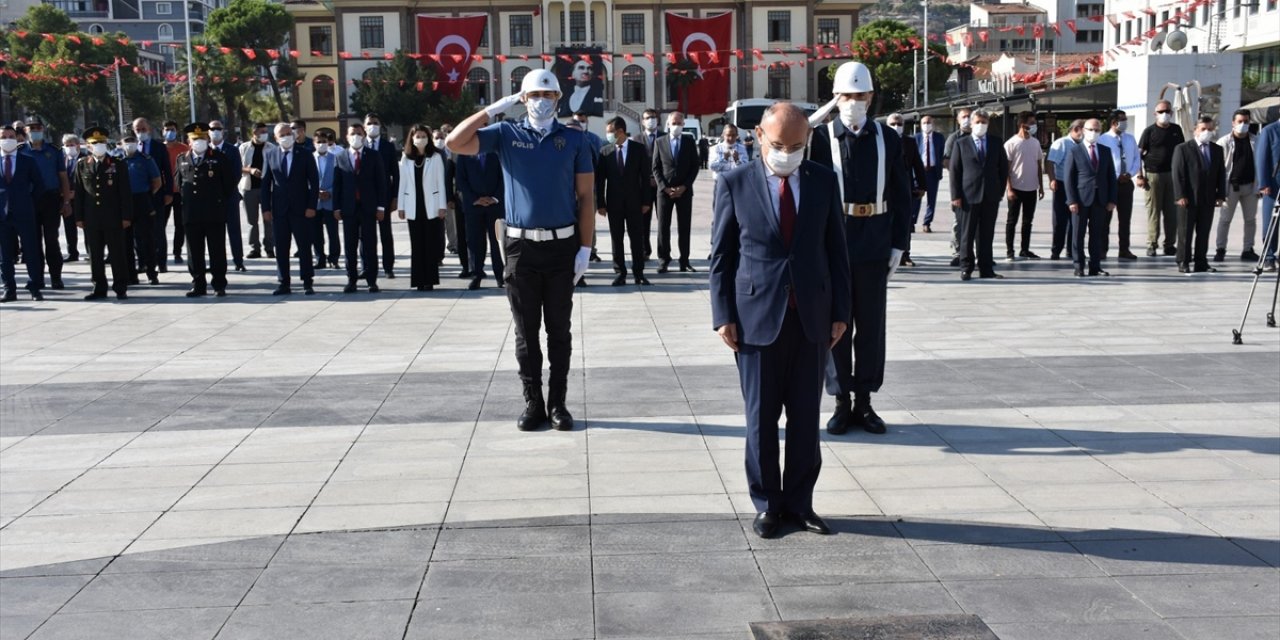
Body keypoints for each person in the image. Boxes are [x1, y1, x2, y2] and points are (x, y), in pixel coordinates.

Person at [709, 102, 850, 539]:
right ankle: (768, 504)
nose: (786, 153)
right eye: (778, 145)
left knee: (806, 419)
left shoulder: (823, 182)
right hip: (755, 320)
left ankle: (801, 503)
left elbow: (836, 251)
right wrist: (722, 315)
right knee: (761, 418)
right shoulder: (735, 183)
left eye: (796, 146)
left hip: (811, 319)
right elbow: (721, 257)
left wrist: (842, 314)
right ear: (758, 138)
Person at [446, 67, 595, 432]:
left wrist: (585, 248)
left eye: (548, 96)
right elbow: (454, 142)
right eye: (534, 96)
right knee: (526, 332)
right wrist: (495, 108)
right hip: (520, 247)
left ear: (558, 99)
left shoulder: (575, 140)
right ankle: (534, 403)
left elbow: (587, 196)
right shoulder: (507, 134)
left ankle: (558, 403)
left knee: (559, 331)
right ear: (522, 99)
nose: (542, 102)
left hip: (561, 247)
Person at [806, 61, 911, 436]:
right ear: (836, 99)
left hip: (875, 238)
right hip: (834, 239)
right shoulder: (820, 139)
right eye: (846, 96)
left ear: (870, 97)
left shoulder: (889, 138)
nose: (853, 102)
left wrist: (900, 242)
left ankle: (865, 401)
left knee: (871, 325)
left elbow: (901, 192)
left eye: (859, 95)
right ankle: (840, 401)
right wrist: (815, 120)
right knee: (836, 324)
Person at [175, 123, 237, 297]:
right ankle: (198, 284)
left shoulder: (219, 157)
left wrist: (216, 199)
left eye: (202, 138)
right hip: (191, 213)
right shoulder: (182, 158)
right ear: (188, 140)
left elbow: (229, 183)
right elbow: (179, 183)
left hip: (214, 212)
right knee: (194, 252)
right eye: (195, 139)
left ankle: (219, 284)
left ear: (207, 139)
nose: (198, 142)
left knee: (216, 250)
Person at [73, 127, 133, 300]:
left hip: (113, 217)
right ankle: (99, 287)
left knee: (117, 254)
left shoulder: (117, 164)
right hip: (92, 217)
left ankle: (120, 287)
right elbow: (79, 193)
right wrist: (79, 217)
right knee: (95, 256)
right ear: (88, 146)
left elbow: (125, 192)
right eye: (94, 143)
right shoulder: (82, 164)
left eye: (101, 142)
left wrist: (126, 216)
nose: (98, 145)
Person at [950, 109, 1010, 281]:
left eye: (984, 122)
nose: (981, 125)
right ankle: (966, 268)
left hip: (990, 195)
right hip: (968, 195)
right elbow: (955, 171)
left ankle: (986, 268)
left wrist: (999, 191)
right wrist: (956, 195)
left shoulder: (996, 142)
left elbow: (1003, 169)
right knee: (967, 234)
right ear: (971, 123)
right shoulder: (961, 143)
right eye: (978, 122)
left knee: (986, 233)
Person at [261, 122, 319, 295]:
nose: (287, 136)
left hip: (301, 209)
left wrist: (311, 206)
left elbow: (314, 182)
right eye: (283, 134)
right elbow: (265, 184)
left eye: (289, 133)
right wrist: (265, 208)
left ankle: (307, 281)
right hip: (279, 210)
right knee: (281, 247)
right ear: (276, 138)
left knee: (304, 246)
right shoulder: (270, 154)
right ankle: (284, 282)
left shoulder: (305, 154)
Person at [596, 116, 652, 286]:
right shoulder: (605, 152)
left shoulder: (639, 149)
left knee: (637, 238)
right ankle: (620, 272)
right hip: (614, 204)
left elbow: (645, 177)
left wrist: (646, 202)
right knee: (616, 238)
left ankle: (639, 273)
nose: (608, 136)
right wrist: (601, 204)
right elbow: (600, 181)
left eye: (610, 132)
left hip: (635, 203)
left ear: (620, 131)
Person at [395, 125, 449, 292]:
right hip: (413, 206)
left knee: (430, 244)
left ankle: (430, 280)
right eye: (417, 136)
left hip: (431, 206)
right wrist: (401, 206)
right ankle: (418, 279)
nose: (421, 139)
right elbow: (402, 183)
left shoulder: (436, 157)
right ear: (412, 138)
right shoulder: (406, 158)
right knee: (417, 244)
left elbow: (441, 182)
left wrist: (442, 206)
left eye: (424, 136)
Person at [20, 116, 70, 291]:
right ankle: (37, 278)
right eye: (31, 128)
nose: (34, 131)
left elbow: (63, 178)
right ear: (25, 131)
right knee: (32, 242)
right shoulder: (20, 151)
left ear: (43, 129)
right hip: (29, 200)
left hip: (50, 199)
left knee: (51, 239)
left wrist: (66, 201)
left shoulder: (54, 151)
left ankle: (56, 278)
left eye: (37, 127)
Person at [1172, 116, 1226, 274]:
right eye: (1203, 129)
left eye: (1210, 129)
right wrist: (1180, 195)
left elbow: (1220, 173)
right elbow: (1178, 173)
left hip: (1208, 198)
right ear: (1195, 130)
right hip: (1188, 198)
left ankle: (1201, 261)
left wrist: (1220, 195)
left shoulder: (1217, 149)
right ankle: (1183, 260)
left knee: (1204, 231)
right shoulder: (1183, 148)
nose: (1207, 132)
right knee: (1185, 232)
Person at [1064, 118, 1118, 278]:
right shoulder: (1075, 151)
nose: (1093, 133)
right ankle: (1078, 266)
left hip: (1100, 200)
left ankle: (1095, 266)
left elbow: (1111, 178)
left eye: (1097, 130)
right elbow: (1069, 178)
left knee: (1097, 234)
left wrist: (1112, 199)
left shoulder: (1105, 151)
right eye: (1090, 129)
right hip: (1080, 200)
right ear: (1083, 130)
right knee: (1078, 234)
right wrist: (1071, 200)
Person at [0, 125, 48, 302]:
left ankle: (35, 287)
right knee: (4, 255)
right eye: (3, 136)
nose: (6, 139)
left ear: (17, 138)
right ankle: (9, 289)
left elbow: (39, 185)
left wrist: (28, 203)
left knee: (31, 251)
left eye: (10, 136)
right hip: (2, 215)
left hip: (24, 213)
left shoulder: (27, 160)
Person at [652, 111, 700, 273]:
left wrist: (684, 186)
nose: (676, 126)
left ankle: (684, 260)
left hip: (684, 191)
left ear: (683, 125)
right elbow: (655, 167)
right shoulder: (660, 142)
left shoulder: (689, 141)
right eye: (674, 123)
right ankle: (663, 259)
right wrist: (664, 187)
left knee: (684, 227)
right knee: (663, 226)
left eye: (679, 123)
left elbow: (695, 166)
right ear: (668, 124)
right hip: (664, 192)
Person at [1137, 100, 1185, 257]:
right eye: (1161, 111)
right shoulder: (1149, 131)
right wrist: (1140, 175)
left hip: (1172, 175)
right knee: (1154, 212)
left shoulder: (1177, 130)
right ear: (1155, 114)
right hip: (1153, 175)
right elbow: (1139, 154)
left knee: (1172, 213)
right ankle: (1152, 244)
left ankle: (1170, 244)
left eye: (1168, 111)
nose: (1165, 114)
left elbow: (1182, 153)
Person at [455, 144, 505, 290]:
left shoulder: (496, 153)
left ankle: (500, 276)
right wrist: (474, 199)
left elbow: (504, 178)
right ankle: (477, 274)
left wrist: (495, 198)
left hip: (495, 205)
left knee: (497, 242)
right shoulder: (464, 155)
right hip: (474, 206)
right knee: (475, 242)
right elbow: (461, 180)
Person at [1215, 109, 1259, 263]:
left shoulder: (1255, 140)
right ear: (1233, 122)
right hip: (1230, 187)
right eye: (1240, 121)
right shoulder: (1224, 142)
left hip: (1250, 187)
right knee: (1225, 220)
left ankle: (1248, 249)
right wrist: (1218, 190)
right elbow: (1217, 168)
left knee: (1250, 220)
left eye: (1246, 121)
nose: (1243, 124)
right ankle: (1220, 249)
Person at [118, 132, 161, 285]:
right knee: (125, 241)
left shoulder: (146, 159)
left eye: (132, 141)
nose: (130, 144)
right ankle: (130, 274)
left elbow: (157, 181)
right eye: (126, 141)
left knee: (147, 239)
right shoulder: (117, 161)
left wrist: (148, 195)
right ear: (121, 144)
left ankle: (151, 272)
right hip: (123, 203)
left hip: (142, 200)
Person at [132, 118, 173, 275]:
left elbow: (167, 172)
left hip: (156, 195)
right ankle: (142, 262)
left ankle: (161, 263)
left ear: (149, 128)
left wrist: (168, 192)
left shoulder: (159, 147)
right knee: (138, 232)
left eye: (143, 129)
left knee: (158, 230)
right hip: (137, 196)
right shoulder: (131, 147)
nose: (141, 132)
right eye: (137, 130)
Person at [1099, 110, 1140, 260]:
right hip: (1110, 183)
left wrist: (1130, 174)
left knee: (1125, 219)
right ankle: (1102, 249)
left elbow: (1136, 159)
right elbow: (1102, 162)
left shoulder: (1130, 139)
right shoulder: (1103, 139)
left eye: (1125, 119)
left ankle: (1124, 249)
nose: (1124, 122)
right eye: (1121, 120)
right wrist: (1116, 176)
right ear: (1113, 122)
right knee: (1105, 219)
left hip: (1126, 183)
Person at [1003, 111, 1044, 261]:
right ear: (1023, 124)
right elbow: (1006, 168)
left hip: (1031, 188)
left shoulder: (1035, 142)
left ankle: (1024, 249)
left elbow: (1039, 164)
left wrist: (1041, 186)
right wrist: (1009, 188)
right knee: (1012, 220)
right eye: (1031, 123)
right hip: (1016, 188)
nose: (1034, 126)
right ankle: (1009, 251)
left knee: (1028, 221)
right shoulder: (1011, 143)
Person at [364, 113, 401, 279]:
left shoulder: (387, 146)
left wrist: (395, 197)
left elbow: (395, 173)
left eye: (376, 123)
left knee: (385, 234)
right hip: (364, 199)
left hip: (384, 197)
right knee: (364, 236)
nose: (373, 125)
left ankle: (388, 267)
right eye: (370, 123)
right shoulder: (360, 145)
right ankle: (367, 267)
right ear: (364, 126)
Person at [887, 112, 924, 267]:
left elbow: (917, 163)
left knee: (905, 220)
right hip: (886, 187)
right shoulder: (882, 140)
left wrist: (922, 185)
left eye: (899, 124)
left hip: (905, 185)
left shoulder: (909, 142)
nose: (897, 127)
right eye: (893, 124)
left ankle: (905, 254)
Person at [207, 120, 245, 272]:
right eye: (212, 129)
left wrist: (224, 189)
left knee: (234, 230)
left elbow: (237, 173)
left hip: (229, 195)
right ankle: (215, 262)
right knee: (214, 232)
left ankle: (238, 261)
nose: (215, 131)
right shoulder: (205, 150)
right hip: (210, 199)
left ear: (223, 131)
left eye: (218, 128)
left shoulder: (232, 150)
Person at [1047, 120, 1085, 261]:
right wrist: (1052, 179)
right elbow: (1050, 162)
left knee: (1075, 220)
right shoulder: (1062, 143)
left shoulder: (1082, 145)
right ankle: (1056, 250)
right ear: (1076, 129)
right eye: (1085, 129)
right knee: (1060, 220)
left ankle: (1072, 250)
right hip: (1062, 184)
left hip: (1078, 186)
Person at [240, 122, 275, 259]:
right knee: (252, 221)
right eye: (262, 132)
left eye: (266, 131)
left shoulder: (272, 148)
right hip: (249, 188)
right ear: (254, 133)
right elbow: (238, 166)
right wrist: (250, 170)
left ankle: (270, 248)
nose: (265, 134)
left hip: (268, 189)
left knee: (269, 219)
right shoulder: (244, 147)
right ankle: (255, 248)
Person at [311, 128, 341, 270]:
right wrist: (315, 192)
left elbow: (339, 180)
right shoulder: (309, 158)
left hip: (330, 201)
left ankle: (334, 258)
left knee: (333, 233)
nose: (322, 144)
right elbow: (305, 180)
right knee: (316, 234)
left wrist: (330, 192)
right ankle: (319, 259)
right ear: (314, 143)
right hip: (315, 202)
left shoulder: (335, 158)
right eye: (319, 142)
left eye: (324, 142)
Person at [157, 120, 184, 270]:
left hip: (180, 192)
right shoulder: (159, 149)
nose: (169, 132)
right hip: (164, 191)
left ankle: (177, 252)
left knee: (180, 224)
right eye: (167, 129)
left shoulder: (184, 148)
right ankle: (160, 253)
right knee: (161, 224)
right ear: (162, 131)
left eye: (172, 129)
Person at [915, 115, 945, 233]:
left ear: (933, 124)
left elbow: (942, 154)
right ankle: (912, 222)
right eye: (924, 123)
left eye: (928, 122)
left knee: (931, 200)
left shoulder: (939, 138)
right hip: (919, 171)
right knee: (916, 198)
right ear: (920, 124)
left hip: (933, 171)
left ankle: (927, 223)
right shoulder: (916, 138)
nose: (926, 125)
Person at [1257, 120, 1280, 272]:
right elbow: (1262, 157)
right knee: (1270, 223)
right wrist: (1264, 183)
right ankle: (1269, 257)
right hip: (1274, 185)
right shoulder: (1269, 130)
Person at [60, 134, 82, 263]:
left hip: (81, 199)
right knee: (69, 227)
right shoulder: (62, 160)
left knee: (87, 227)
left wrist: (76, 193)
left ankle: (92, 252)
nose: (69, 148)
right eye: (67, 145)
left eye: (71, 145)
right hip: (67, 199)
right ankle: (72, 252)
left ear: (78, 145)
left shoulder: (85, 158)